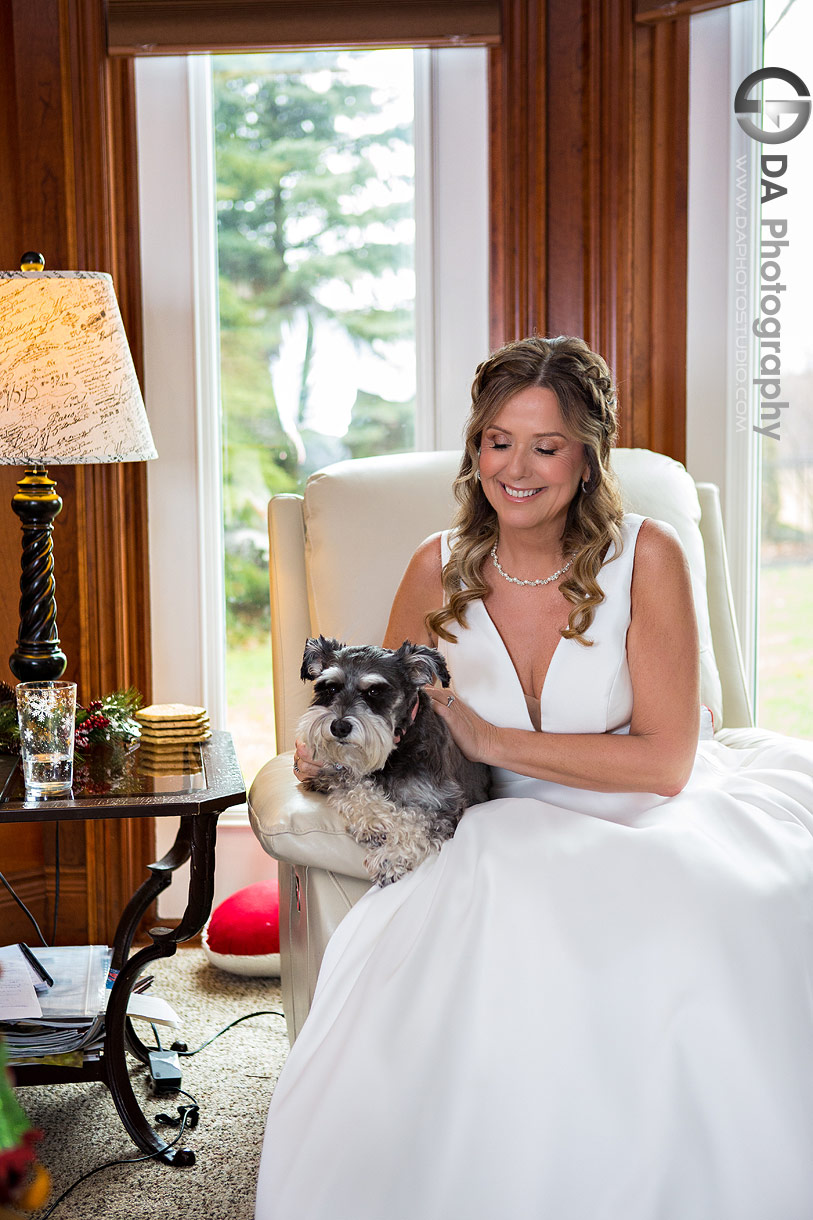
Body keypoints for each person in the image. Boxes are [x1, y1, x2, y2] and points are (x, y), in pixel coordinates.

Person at [255, 336, 813, 1220]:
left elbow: (666, 762)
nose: (516, 468)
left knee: (703, 920)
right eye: (496, 441)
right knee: (469, 939)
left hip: (650, 811)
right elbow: (392, 721)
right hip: (499, 825)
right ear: (475, 448)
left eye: (545, 446)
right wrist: (334, 749)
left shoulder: (647, 555)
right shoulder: (433, 567)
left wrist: (486, 735)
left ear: (586, 459)